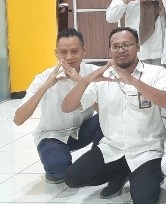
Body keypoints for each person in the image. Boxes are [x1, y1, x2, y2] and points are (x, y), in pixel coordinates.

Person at [62, 27, 166, 204]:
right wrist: (85, 80)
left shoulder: (155, 72)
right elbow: (67, 107)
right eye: (116, 46)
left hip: (145, 149)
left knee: (144, 201)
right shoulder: (102, 77)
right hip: (112, 148)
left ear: (138, 46)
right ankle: (121, 171)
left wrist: (131, 80)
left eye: (126, 45)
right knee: (72, 178)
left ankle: (149, 171)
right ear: (110, 50)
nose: (121, 50)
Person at [13, 28, 103, 184]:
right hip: (52, 135)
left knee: (108, 118)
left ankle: (98, 163)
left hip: (83, 130)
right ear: (56, 53)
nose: (69, 57)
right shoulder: (44, 77)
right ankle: (56, 161)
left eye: (74, 51)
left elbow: (107, 109)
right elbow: (18, 119)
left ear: (84, 51)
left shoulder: (94, 73)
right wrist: (45, 87)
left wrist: (81, 81)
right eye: (63, 52)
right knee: (60, 170)